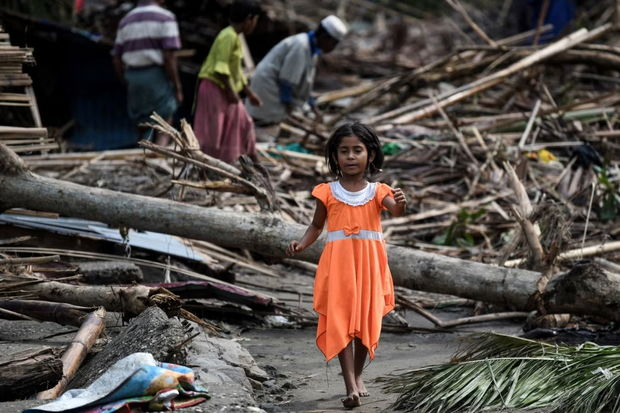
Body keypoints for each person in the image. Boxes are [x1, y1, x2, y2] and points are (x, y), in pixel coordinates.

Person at [286, 122, 407, 408]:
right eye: (344, 151)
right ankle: (350, 385)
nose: (351, 156)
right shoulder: (327, 191)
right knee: (340, 319)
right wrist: (302, 244)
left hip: (369, 266)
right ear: (334, 156)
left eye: (357, 150)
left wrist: (402, 202)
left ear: (371, 155)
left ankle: (357, 374)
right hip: (338, 265)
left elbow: (396, 209)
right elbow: (316, 226)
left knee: (367, 319)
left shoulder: (379, 190)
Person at [192, 0, 262, 163]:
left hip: (225, 88)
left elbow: (235, 70)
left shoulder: (235, 37)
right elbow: (220, 68)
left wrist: (249, 93)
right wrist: (231, 92)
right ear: (249, 19)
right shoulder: (227, 36)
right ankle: (206, 165)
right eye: (255, 21)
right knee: (213, 132)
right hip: (215, 87)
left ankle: (253, 164)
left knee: (244, 123)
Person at [246, 15, 347, 125]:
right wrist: (290, 111)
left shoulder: (312, 51)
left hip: (274, 88)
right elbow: (286, 82)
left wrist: (313, 107)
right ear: (325, 37)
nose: (333, 47)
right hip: (269, 88)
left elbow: (304, 85)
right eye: (334, 43)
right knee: (264, 121)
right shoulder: (301, 46)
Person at [112, 0, 183, 146]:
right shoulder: (166, 18)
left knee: (142, 125)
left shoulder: (126, 20)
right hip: (156, 76)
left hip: (133, 77)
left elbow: (116, 58)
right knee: (164, 125)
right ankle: (158, 161)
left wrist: (125, 80)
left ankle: (143, 157)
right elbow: (169, 57)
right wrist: (177, 87)